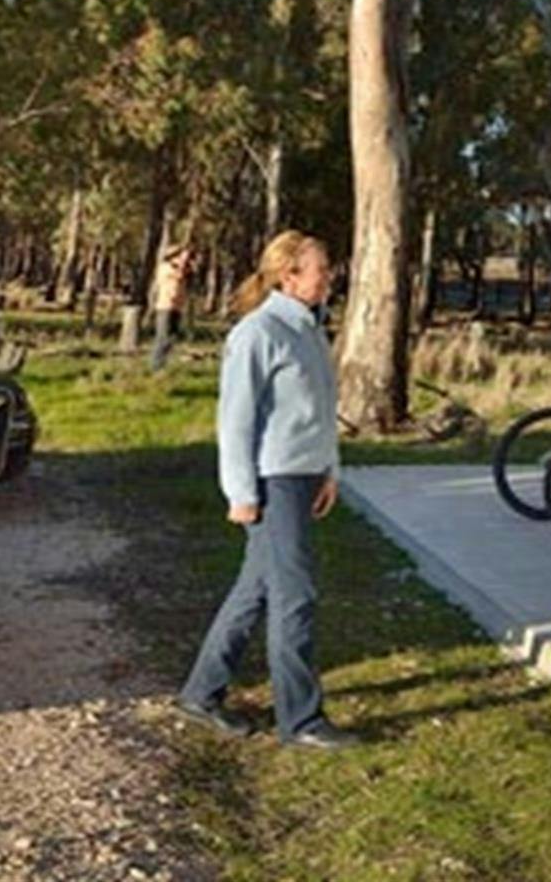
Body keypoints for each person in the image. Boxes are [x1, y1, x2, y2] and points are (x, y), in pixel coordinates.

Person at [177, 229, 356, 748]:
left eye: (328, 268)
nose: (329, 277)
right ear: (289, 275)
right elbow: (234, 422)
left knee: (254, 591)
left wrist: (330, 472)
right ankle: (301, 721)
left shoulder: (311, 330)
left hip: (304, 477)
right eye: (321, 268)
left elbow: (320, 412)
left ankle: (200, 693)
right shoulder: (259, 333)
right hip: (272, 482)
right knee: (294, 597)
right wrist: (241, 494)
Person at [149, 244, 196, 373]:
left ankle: (163, 363)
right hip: (165, 306)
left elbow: (187, 277)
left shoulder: (182, 270)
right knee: (162, 337)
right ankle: (156, 366)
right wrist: (182, 265)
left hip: (177, 307)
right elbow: (177, 276)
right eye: (180, 256)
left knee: (172, 337)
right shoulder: (165, 268)